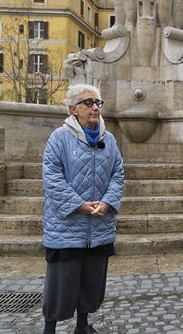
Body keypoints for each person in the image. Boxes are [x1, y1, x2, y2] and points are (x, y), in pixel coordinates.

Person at [41, 84, 124, 334]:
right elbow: (52, 176)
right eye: (88, 102)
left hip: (98, 224)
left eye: (98, 102)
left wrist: (107, 202)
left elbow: (118, 174)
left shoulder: (108, 140)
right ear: (73, 109)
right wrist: (79, 206)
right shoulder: (59, 137)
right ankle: (50, 329)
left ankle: (82, 325)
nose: (95, 107)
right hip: (67, 226)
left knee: (91, 279)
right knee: (61, 282)